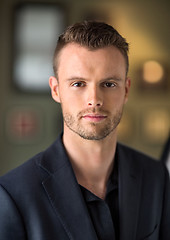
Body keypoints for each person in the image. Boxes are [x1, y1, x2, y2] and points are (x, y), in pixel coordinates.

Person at [0, 21, 169, 240]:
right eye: (78, 84)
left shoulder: (156, 177)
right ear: (56, 90)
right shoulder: (12, 194)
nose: (94, 100)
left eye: (108, 84)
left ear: (126, 90)